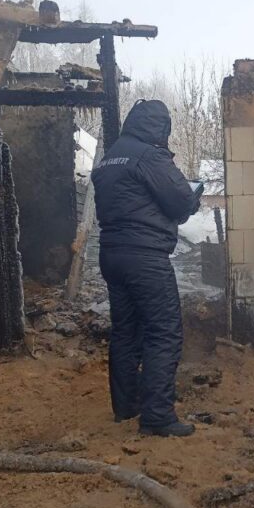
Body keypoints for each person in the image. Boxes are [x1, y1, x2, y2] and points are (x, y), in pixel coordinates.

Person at [92, 100, 202, 437]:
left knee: (126, 331)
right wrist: (193, 198)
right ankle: (157, 416)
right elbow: (181, 200)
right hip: (145, 257)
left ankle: (126, 407)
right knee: (163, 331)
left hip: (112, 254)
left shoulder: (111, 157)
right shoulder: (149, 155)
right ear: (160, 128)